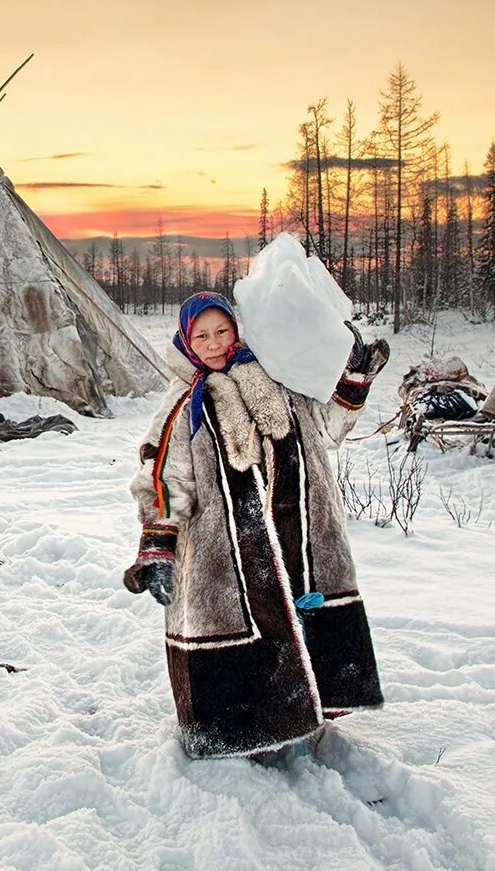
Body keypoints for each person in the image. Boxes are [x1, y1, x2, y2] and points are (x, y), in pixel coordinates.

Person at [123, 291, 391, 762]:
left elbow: (328, 429)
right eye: (201, 335)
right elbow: (163, 477)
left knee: (298, 615)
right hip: (221, 550)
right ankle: (245, 736)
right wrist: (157, 546)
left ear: (238, 330)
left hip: (294, 531)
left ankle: (309, 717)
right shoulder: (183, 404)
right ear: (187, 340)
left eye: (222, 331)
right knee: (244, 628)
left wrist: (351, 377)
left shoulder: (277, 380)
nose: (214, 344)